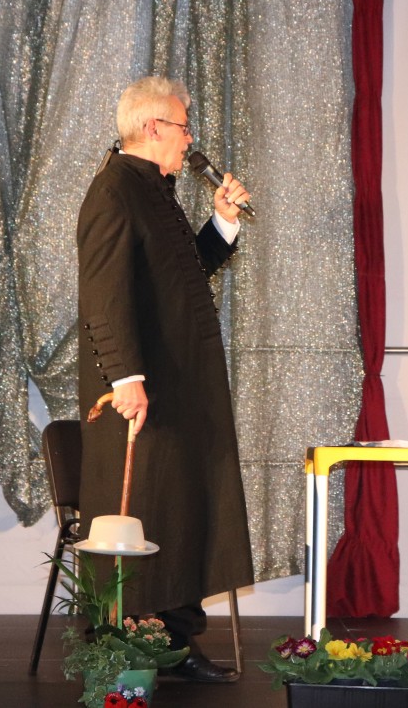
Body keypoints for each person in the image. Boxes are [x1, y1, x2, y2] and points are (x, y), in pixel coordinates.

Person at [76, 75, 255, 684]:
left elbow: (182, 274)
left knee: (177, 512)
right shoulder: (114, 190)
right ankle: (127, 647)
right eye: (183, 126)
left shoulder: (154, 189)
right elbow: (103, 294)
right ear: (152, 128)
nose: (189, 138)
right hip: (140, 391)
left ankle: (173, 643)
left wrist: (222, 222)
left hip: (175, 387)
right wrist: (124, 376)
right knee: (145, 508)